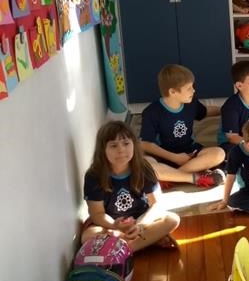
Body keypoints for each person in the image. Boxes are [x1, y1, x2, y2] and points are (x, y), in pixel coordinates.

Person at [83, 121, 180, 252]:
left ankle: (125, 249)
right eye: (113, 146)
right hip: (111, 225)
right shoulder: (94, 175)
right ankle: (143, 242)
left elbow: (156, 204)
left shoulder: (143, 168)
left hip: (140, 220)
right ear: (102, 150)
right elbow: (97, 214)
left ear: (134, 145)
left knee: (172, 219)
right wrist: (114, 226)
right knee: (87, 236)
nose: (121, 150)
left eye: (126, 143)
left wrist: (140, 225)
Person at [140, 64, 225, 187]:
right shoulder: (151, 112)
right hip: (163, 156)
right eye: (189, 88)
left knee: (219, 153)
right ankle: (193, 177)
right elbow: (145, 144)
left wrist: (226, 110)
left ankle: (170, 177)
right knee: (145, 164)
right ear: (173, 91)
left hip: (189, 153)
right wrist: (175, 158)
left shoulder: (191, 104)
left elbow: (205, 111)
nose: (193, 90)